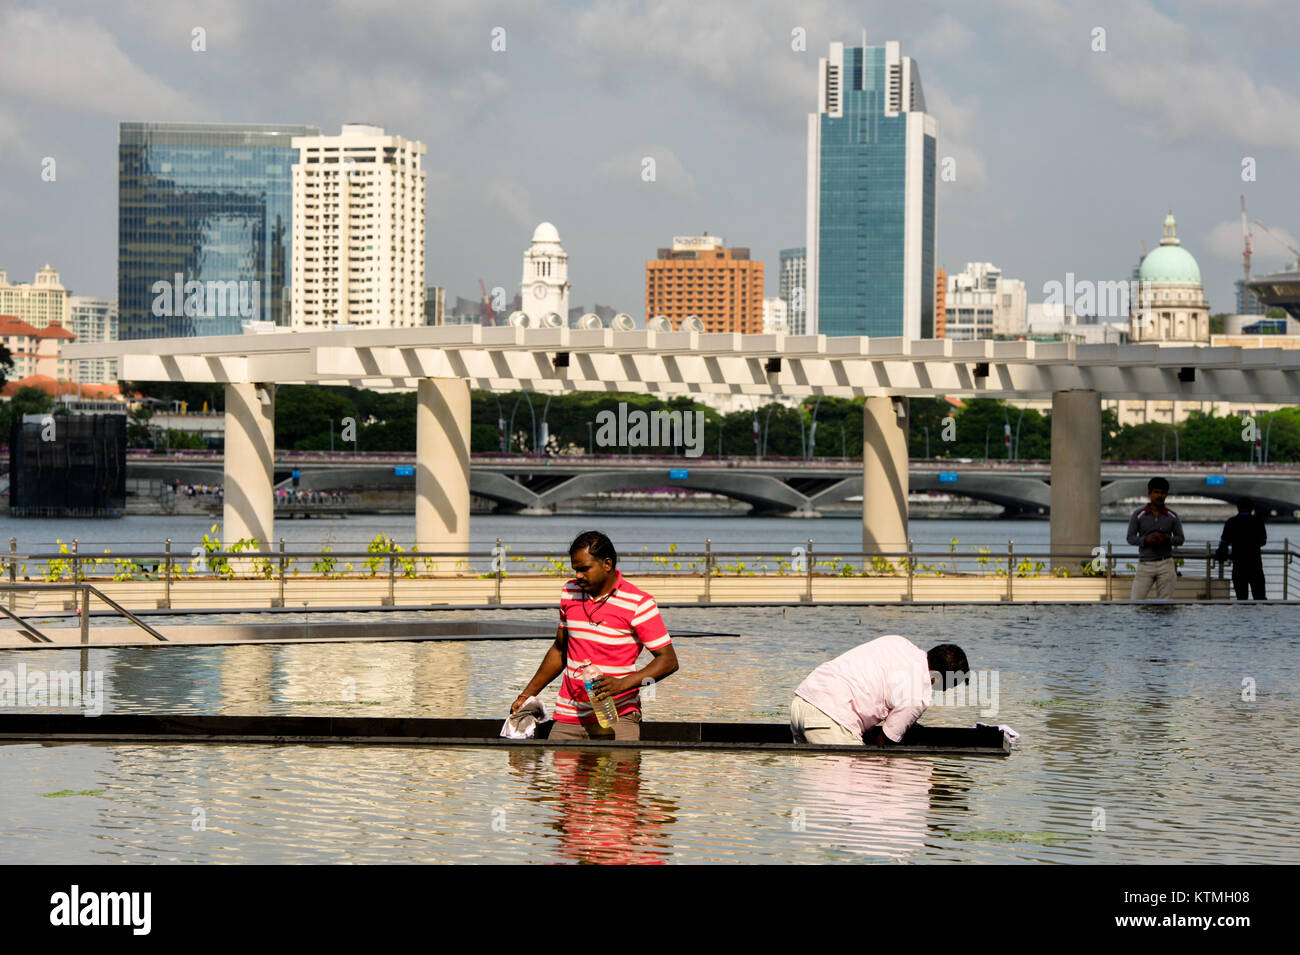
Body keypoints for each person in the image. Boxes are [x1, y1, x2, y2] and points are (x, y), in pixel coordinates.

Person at [511, 530, 678, 741]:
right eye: (575, 570)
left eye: (584, 569)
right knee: (557, 773)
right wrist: (526, 695)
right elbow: (559, 650)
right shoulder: (569, 592)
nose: (578, 576)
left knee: (621, 774)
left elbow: (668, 661)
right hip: (569, 715)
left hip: (619, 716)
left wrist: (621, 684)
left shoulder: (639, 603)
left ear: (607, 564)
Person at [790, 635, 969, 746]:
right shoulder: (920, 692)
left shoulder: (898, 642)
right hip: (831, 718)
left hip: (803, 701)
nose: (941, 692)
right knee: (851, 794)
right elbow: (884, 743)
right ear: (935, 678)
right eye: (944, 687)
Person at [1126, 476, 1185, 599]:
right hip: (1145, 564)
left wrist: (1167, 539)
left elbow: (1180, 539)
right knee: (1135, 602)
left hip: (1166, 564)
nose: (1159, 496)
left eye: (1163, 493)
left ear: (1166, 495)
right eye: (1156, 492)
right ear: (1149, 494)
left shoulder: (1172, 516)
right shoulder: (1138, 515)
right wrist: (1145, 540)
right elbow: (1130, 538)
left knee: (1165, 605)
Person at [1216, 498, 1267, 600]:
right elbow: (1263, 541)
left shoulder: (1231, 522)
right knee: (1260, 597)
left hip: (1238, 563)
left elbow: (1224, 542)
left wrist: (1222, 554)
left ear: (1238, 508)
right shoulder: (1258, 521)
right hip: (1255, 563)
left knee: (1241, 597)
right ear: (1252, 509)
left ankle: (1242, 615)